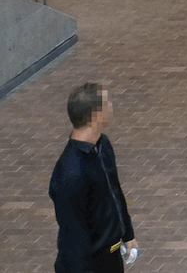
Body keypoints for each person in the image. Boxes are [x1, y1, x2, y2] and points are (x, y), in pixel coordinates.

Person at [49, 83, 137, 273]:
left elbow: (114, 192)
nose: (112, 106)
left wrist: (128, 234)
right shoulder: (70, 174)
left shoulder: (102, 145)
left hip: (111, 258)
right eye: (107, 103)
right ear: (95, 116)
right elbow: (74, 238)